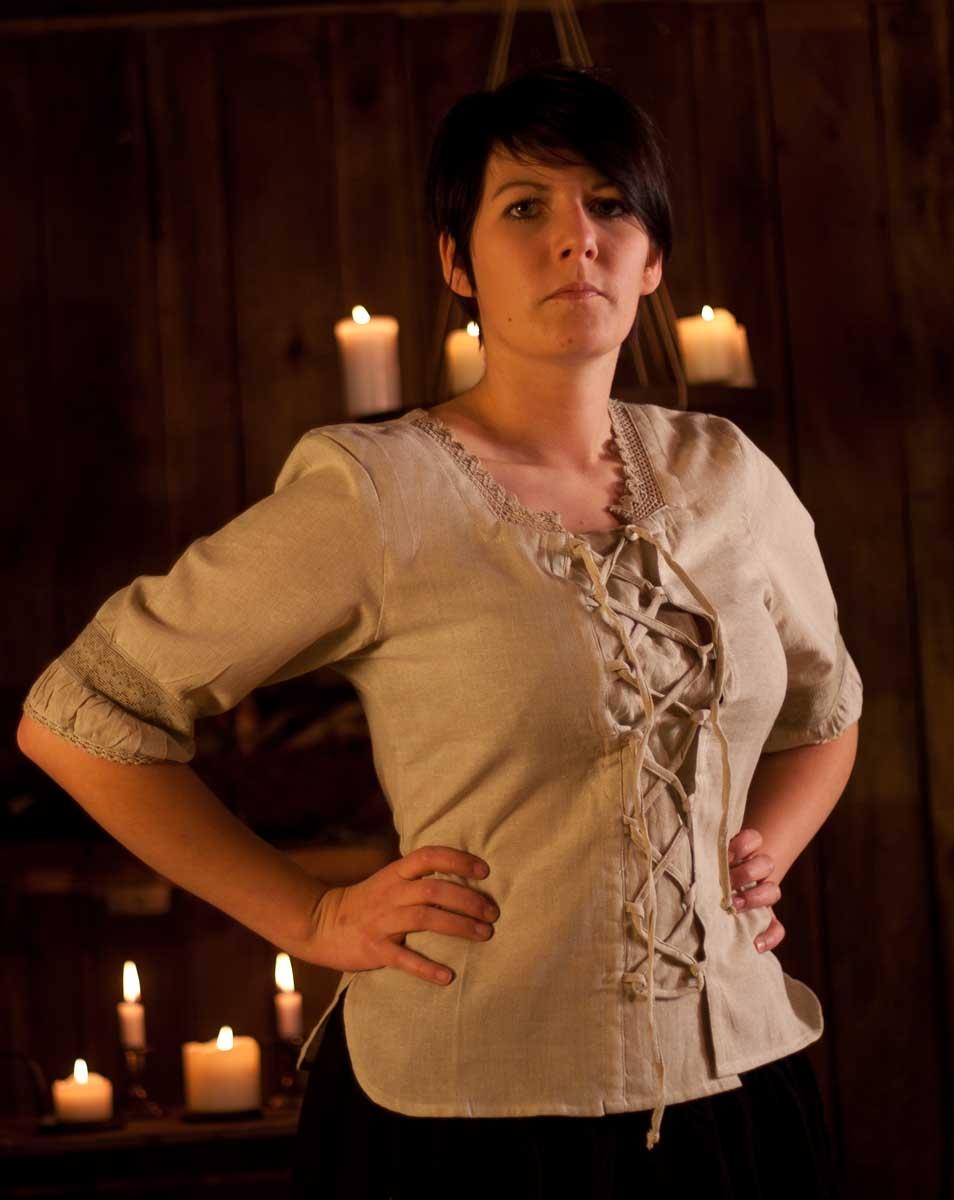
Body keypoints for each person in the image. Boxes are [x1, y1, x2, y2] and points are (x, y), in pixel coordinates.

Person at [17, 62, 861, 1199]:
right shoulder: (378, 495)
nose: (576, 238)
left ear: (653, 259)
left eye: (610, 205)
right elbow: (77, 715)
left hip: (742, 1094)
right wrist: (311, 913)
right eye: (525, 207)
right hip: (467, 1120)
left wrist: (764, 856)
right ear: (457, 263)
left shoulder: (730, 477)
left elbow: (828, 711)